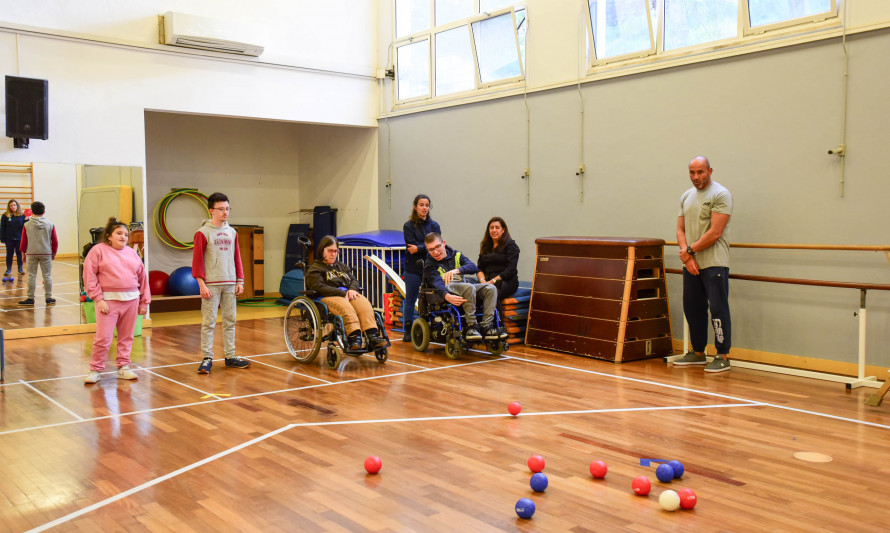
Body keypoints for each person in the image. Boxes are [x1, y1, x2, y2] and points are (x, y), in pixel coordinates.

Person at [674, 155, 733, 373]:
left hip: (714, 262)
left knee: (718, 309)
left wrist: (689, 251)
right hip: (690, 263)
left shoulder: (721, 194)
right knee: (693, 307)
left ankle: (722, 354)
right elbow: (680, 230)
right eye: (692, 172)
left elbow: (715, 232)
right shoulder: (686, 196)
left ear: (710, 171)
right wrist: (687, 256)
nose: (696, 177)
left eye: (700, 172)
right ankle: (698, 352)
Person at [82, 218, 150, 384]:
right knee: (103, 338)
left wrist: (144, 302)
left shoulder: (132, 253)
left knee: (126, 337)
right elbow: (89, 276)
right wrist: (98, 299)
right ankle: (95, 369)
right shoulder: (98, 251)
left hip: (131, 301)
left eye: (126, 234)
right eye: (119, 233)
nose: (123, 237)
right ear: (109, 236)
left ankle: (124, 367)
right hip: (108, 302)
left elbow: (142, 277)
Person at [193, 192, 250, 373]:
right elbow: (197, 261)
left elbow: (237, 258)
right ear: (211, 211)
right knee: (209, 322)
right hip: (211, 285)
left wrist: (239, 280)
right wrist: (202, 284)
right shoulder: (202, 233)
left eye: (227, 209)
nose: (225, 212)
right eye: (221, 209)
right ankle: (207, 358)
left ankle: (230, 356)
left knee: (230, 320)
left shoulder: (232, 232)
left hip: (230, 284)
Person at [305, 235, 389, 351]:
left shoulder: (341, 266)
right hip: (327, 296)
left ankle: (372, 336)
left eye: (335, 251)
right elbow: (319, 287)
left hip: (346, 294)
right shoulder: (315, 268)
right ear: (322, 250)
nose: (333, 254)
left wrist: (352, 289)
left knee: (364, 304)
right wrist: (341, 293)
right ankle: (354, 338)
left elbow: (354, 280)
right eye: (330, 251)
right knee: (346, 308)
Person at [423, 232, 506, 341]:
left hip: (464, 286)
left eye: (437, 247)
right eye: (431, 249)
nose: (435, 252)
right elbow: (436, 282)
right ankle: (472, 327)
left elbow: (473, 267)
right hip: (447, 288)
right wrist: (446, 296)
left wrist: (457, 270)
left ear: (443, 243)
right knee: (469, 287)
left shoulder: (456, 255)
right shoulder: (429, 264)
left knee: (490, 288)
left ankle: (487, 326)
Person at [402, 194, 441, 342]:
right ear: (415, 207)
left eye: (426, 205)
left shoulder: (434, 225)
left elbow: (436, 246)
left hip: (430, 267)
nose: (424, 208)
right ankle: (407, 330)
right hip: (412, 268)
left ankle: (432, 328)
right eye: (421, 205)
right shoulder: (408, 226)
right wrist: (426, 247)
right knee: (411, 299)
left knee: (433, 298)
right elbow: (410, 246)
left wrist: (419, 248)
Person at [19, 201, 57, 305]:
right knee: (47, 275)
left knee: (31, 275)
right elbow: (55, 241)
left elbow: (23, 242)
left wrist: (23, 254)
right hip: (46, 253)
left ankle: (30, 298)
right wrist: (53, 253)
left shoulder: (27, 225)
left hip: (31, 253)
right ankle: (48, 297)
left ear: (31, 212)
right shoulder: (50, 224)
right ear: (44, 211)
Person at [476, 216, 521, 300]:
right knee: (471, 291)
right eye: (491, 228)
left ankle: (497, 314)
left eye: (497, 228)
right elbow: (479, 268)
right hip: (486, 280)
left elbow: (510, 270)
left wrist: (492, 281)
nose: (494, 230)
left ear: (503, 230)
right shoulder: (485, 245)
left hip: (505, 281)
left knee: (492, 293)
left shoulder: (511, 246)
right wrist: (482, 281)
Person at [1, 199, 26, 277]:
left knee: (19, 254)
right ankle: (8, 269)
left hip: (19, 239)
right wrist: (2, 238)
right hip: (9, 239)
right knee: (9, 254)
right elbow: (2, 228)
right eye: (11, 205)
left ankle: (20, 269)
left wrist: (27, 219)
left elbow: (25, 227)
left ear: (17, 205)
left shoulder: (22, 215)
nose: (13, 207)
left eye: (14, 205)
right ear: (9, 206)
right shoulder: (5, 215)